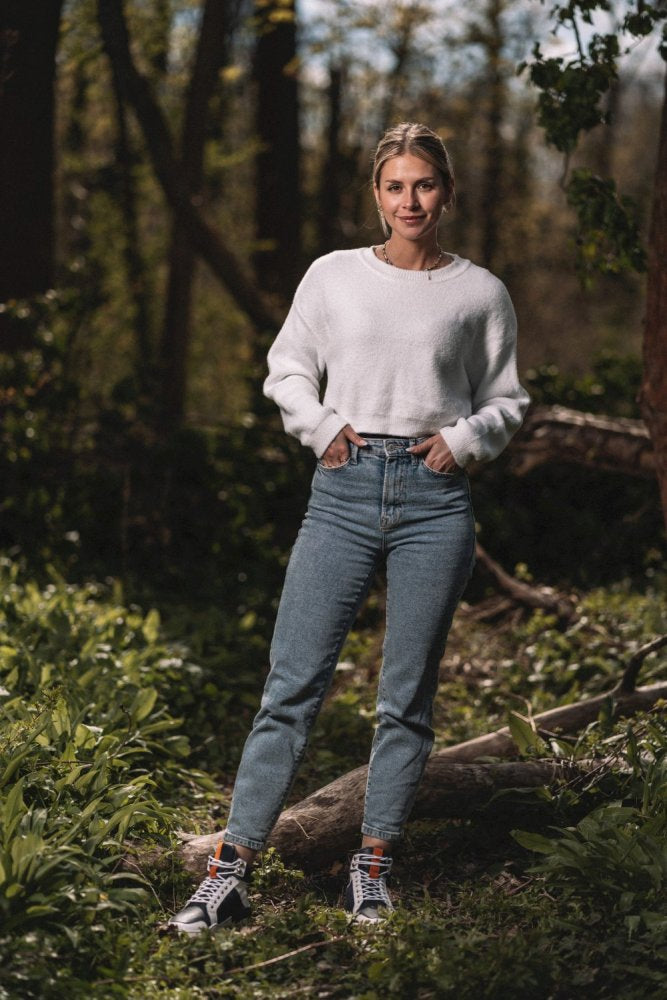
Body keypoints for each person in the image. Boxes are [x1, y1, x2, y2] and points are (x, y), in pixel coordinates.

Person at [169, 121, 530, 934]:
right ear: (376, 193)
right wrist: (322, 426)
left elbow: (506, 399)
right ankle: (228, 875)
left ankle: (370, 869)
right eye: (395, 186)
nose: (411, 201)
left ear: (447, 192)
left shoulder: (479, 293)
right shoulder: (332, 277)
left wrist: (465, 439)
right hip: (342, 487)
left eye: (425, 185)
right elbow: (286, 368)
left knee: (405, 702)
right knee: (289, 688)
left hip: (435, 503)